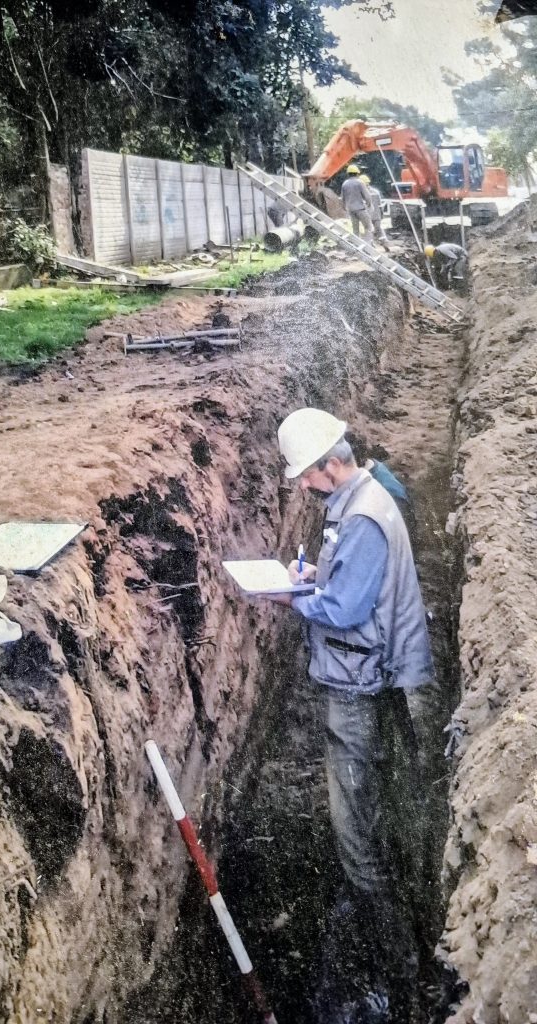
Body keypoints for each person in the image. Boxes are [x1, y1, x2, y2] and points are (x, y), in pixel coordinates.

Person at [273, 407, 435, 1015]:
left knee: (352, 819)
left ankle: (388, 949)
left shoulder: (362, 518)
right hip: (375, 675)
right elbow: (349, 584)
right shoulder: (360, 500)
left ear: (329, 466)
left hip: (359, 684)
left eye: (306, 478)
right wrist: (320, 575)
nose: (304, 489)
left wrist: (290, 595)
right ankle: (393, 918)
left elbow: (343, 612)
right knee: (381, 798)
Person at [340, 165, 374, 244]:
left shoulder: (345, 184)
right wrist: (369, 204)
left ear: (348, 174)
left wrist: (344, 207)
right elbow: (367, 195)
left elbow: (342, 198)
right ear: (357, 173)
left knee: (355, 229)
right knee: (368, 226)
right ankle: (367, 244)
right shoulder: (360, 182)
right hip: (360, 209)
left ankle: (356, 244)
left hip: (351, 210)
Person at [360, 175, 391, 252]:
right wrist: (381, 214)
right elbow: (380, 205)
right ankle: (385, 243)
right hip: (377, 215)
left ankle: (370, 245)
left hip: (367, 215)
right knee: (379, 229)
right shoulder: (376, 192)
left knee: (368, 230)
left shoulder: (360, 193)